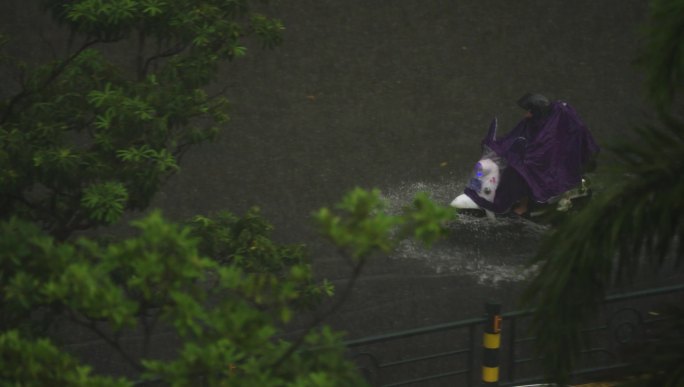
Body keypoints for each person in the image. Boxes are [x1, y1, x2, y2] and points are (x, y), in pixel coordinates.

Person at [462, 93, 599, 216]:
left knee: (521, 172)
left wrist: (525, 157)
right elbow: (514, 137)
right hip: (542, 159)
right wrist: (495, 145)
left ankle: (523, 207)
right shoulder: (534, 122)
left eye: (529, 111)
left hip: (551, 165)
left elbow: (544, 151)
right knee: (512, 167)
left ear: (537, 111)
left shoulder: (552, 130)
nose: (526, 115)